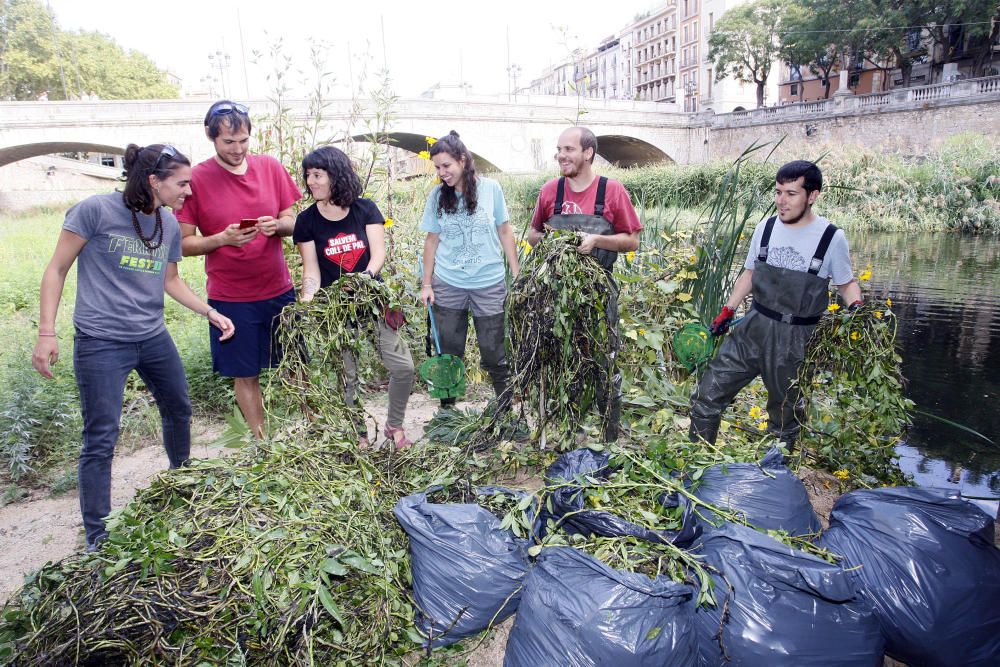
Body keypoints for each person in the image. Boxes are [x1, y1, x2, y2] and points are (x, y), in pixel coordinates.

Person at [32, 144, 235, 550]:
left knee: (179, 407)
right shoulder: (94, 211)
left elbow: (170, 279)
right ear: (152, 181)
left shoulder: (169, 224)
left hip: (151, 334)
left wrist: (208, 311)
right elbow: (56, 269)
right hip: (101, 340)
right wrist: (46, 332)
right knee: (101, 436)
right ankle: (97, 536)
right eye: (181, 184)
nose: (188, 192)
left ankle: (182, 484)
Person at [689, 160, 862, 448]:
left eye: (791, 194)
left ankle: (776, 479)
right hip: (752, 328)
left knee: (784, 417)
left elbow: (846, 283)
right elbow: (750, 273)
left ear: (813, 196)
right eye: (778, 192)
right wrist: (727, 310)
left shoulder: (832, 237)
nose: (781, 201)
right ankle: (693, 465)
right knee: (707, 395)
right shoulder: (765, 228)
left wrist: (857, 308)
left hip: (794, 340)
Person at [176, 100, 302, 439]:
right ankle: (262, 444)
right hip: (231, 297)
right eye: (228, 142)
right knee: (245, 374)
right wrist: (221, 239)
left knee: (296, 366)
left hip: (279, 289)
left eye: (244, 140)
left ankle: (315, 432)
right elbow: (184, 244)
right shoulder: (197, 180)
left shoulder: (270, 168)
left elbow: (294, 221)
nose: (237, 149)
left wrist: (278, 225)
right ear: (210, 137)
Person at [293, 146, 415, 449]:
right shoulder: (306, 221)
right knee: (347, 376)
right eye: (308, 175)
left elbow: (378, 254)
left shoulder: (366, 209)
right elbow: (311, 272)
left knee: (404, 367)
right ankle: (358, 434)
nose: (311, 181)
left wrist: (364, 279)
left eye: (317, 175)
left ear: (336, 175)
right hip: (336, 311)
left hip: (373, 302)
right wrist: (306, 306)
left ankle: (394, 425)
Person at [527, 126, 642, 441]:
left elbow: (632, 241)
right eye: (559, 149)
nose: (561, 155)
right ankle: (567, 433)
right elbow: (532, 234)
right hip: (557, 298)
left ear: (588, 152)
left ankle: (609, 438)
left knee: (604, 362)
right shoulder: (551, 191)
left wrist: (598, 241)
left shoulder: (612, 191)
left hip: (598, 294)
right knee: (561, 360)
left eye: (568, 149)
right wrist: (551, 240)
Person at [419, 131, 520, 412]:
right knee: (448, 353)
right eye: (437, 168)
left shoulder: (491, 189)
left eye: (446, 166)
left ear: (462, 160)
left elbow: (504, 230)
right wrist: (426, 284)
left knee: (494, 352)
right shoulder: (438, 195)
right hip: (449, 283)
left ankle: (505, 410)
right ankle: (447, 412)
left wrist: (517, 272)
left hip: (489, 283)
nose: (442, 173)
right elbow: (432, 240)